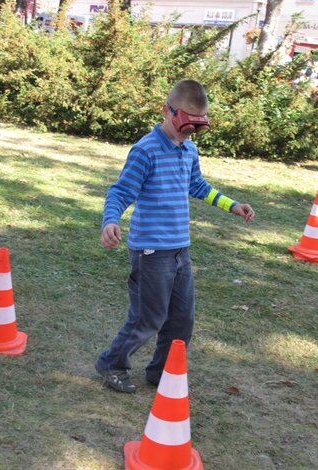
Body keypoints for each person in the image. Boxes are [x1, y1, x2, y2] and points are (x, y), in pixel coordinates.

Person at [95, 79, 255, 393]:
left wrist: (231, 205)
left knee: (181, 319)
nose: (188, 133)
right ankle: (111, 364)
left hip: (180, 250)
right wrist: (109, 221)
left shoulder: (189, 149)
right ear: (166, 111)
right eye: (183, 125)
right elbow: (120, 191)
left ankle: (161, 371)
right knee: (148, 318)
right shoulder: (146, 150)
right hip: (151, 252)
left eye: (196, 128)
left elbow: (198, 186)